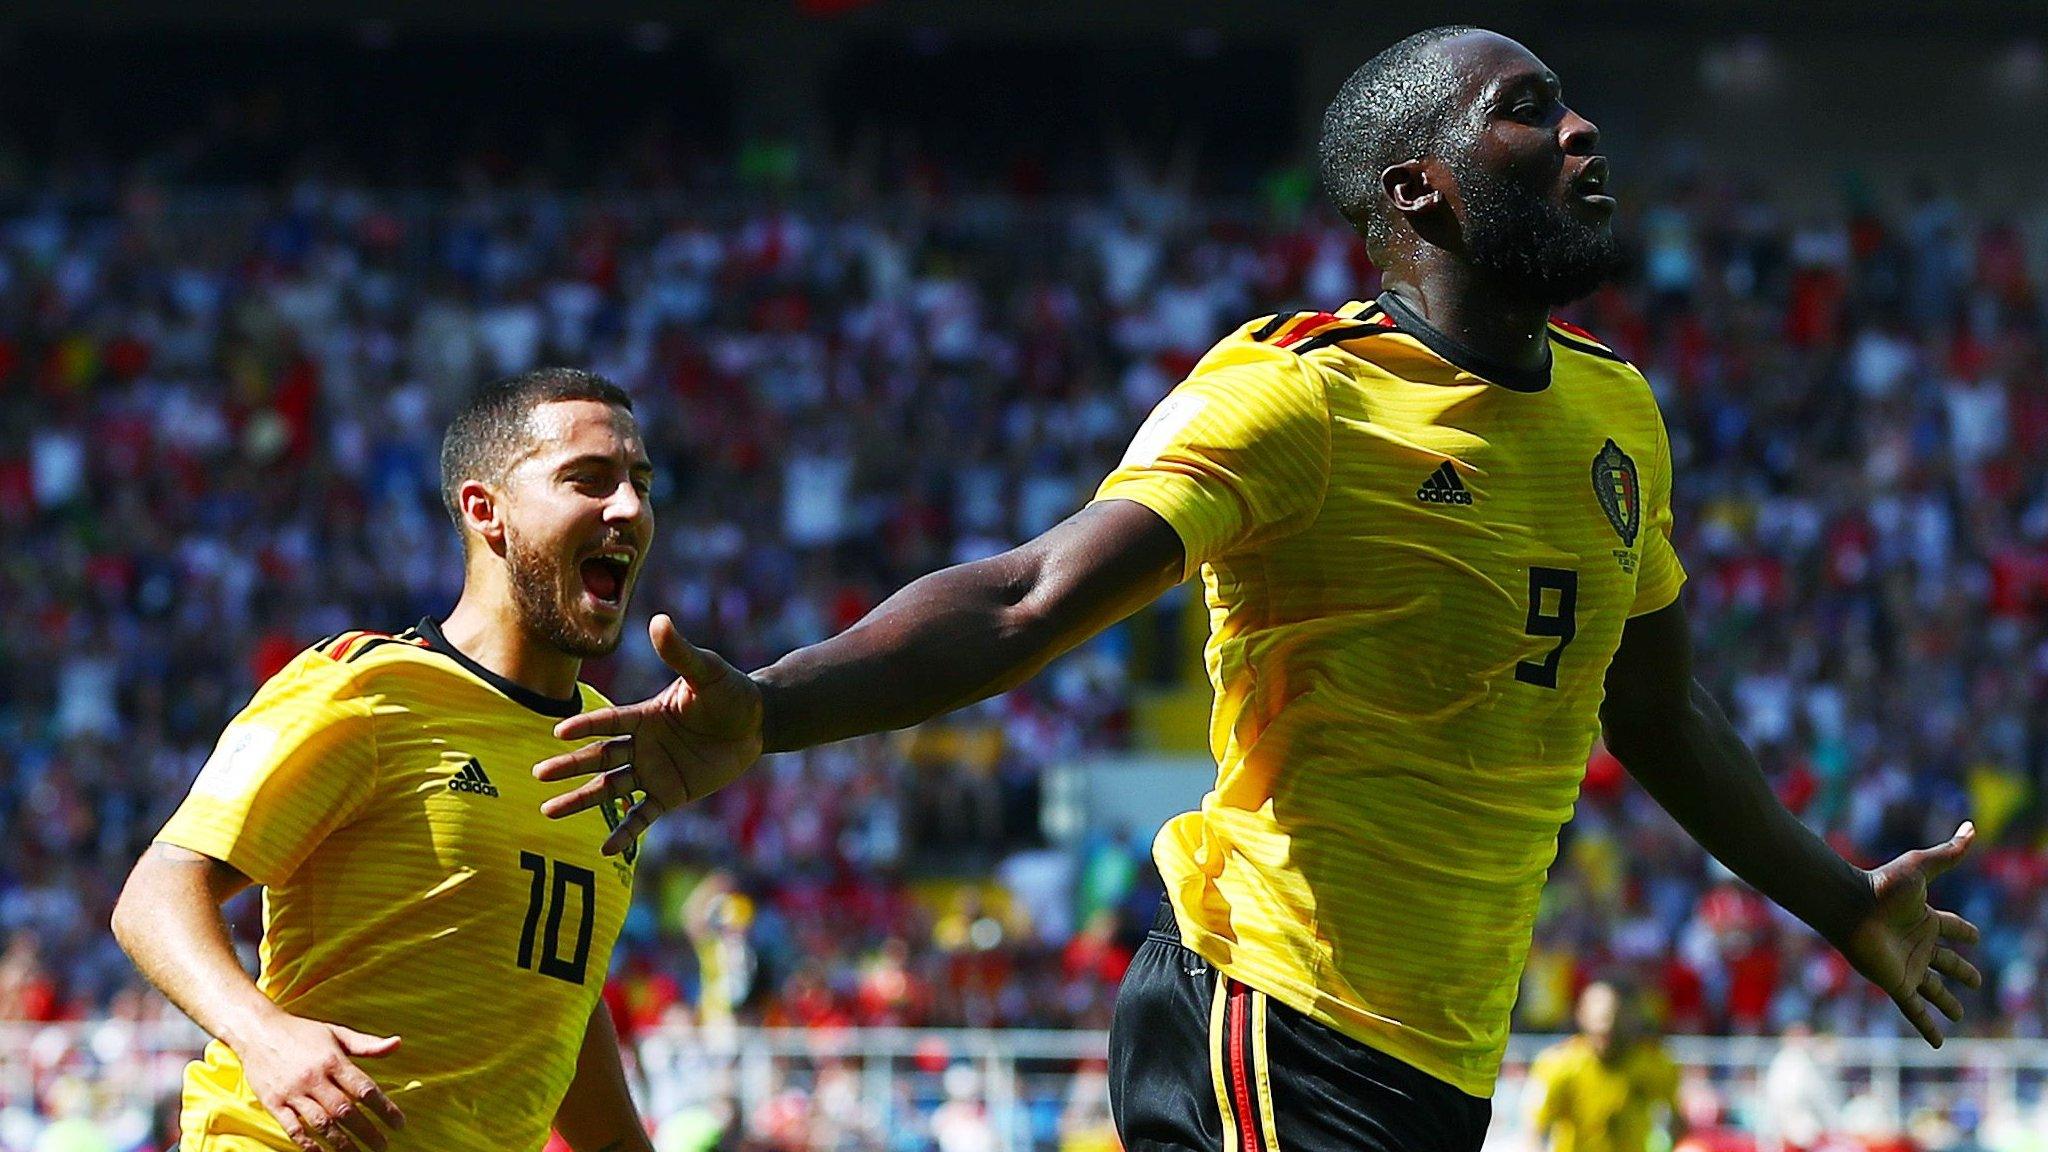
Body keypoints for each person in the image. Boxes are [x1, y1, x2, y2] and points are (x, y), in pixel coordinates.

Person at [532, 27, 1982, 1152]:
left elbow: (1657, 711)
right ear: (1422, 187)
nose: (1584, 129)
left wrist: (1842, 902)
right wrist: (767, 710)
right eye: (1530, 110)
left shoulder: (1619, 416)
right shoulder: (1300, 395)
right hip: (1265, 1013)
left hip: (1441, 1054)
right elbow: (1030, 594)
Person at [114, 369, 658, 1152]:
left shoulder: (608, 750)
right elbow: (156, 894)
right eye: (590, 481)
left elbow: (551, 986)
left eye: (642, 484)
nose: (629, 509)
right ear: (486, 511)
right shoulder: (366, 690)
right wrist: (262, 1034)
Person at [1527, 981, 1684, 1152]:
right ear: (1582, 1016)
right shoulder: (1559, 1064)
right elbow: (1534, 1129)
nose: (1608, 1035)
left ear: (1635, 1018)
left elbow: (1677, 1121)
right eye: (1601, 1029)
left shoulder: (1656, 1064)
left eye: (1616, 1026)